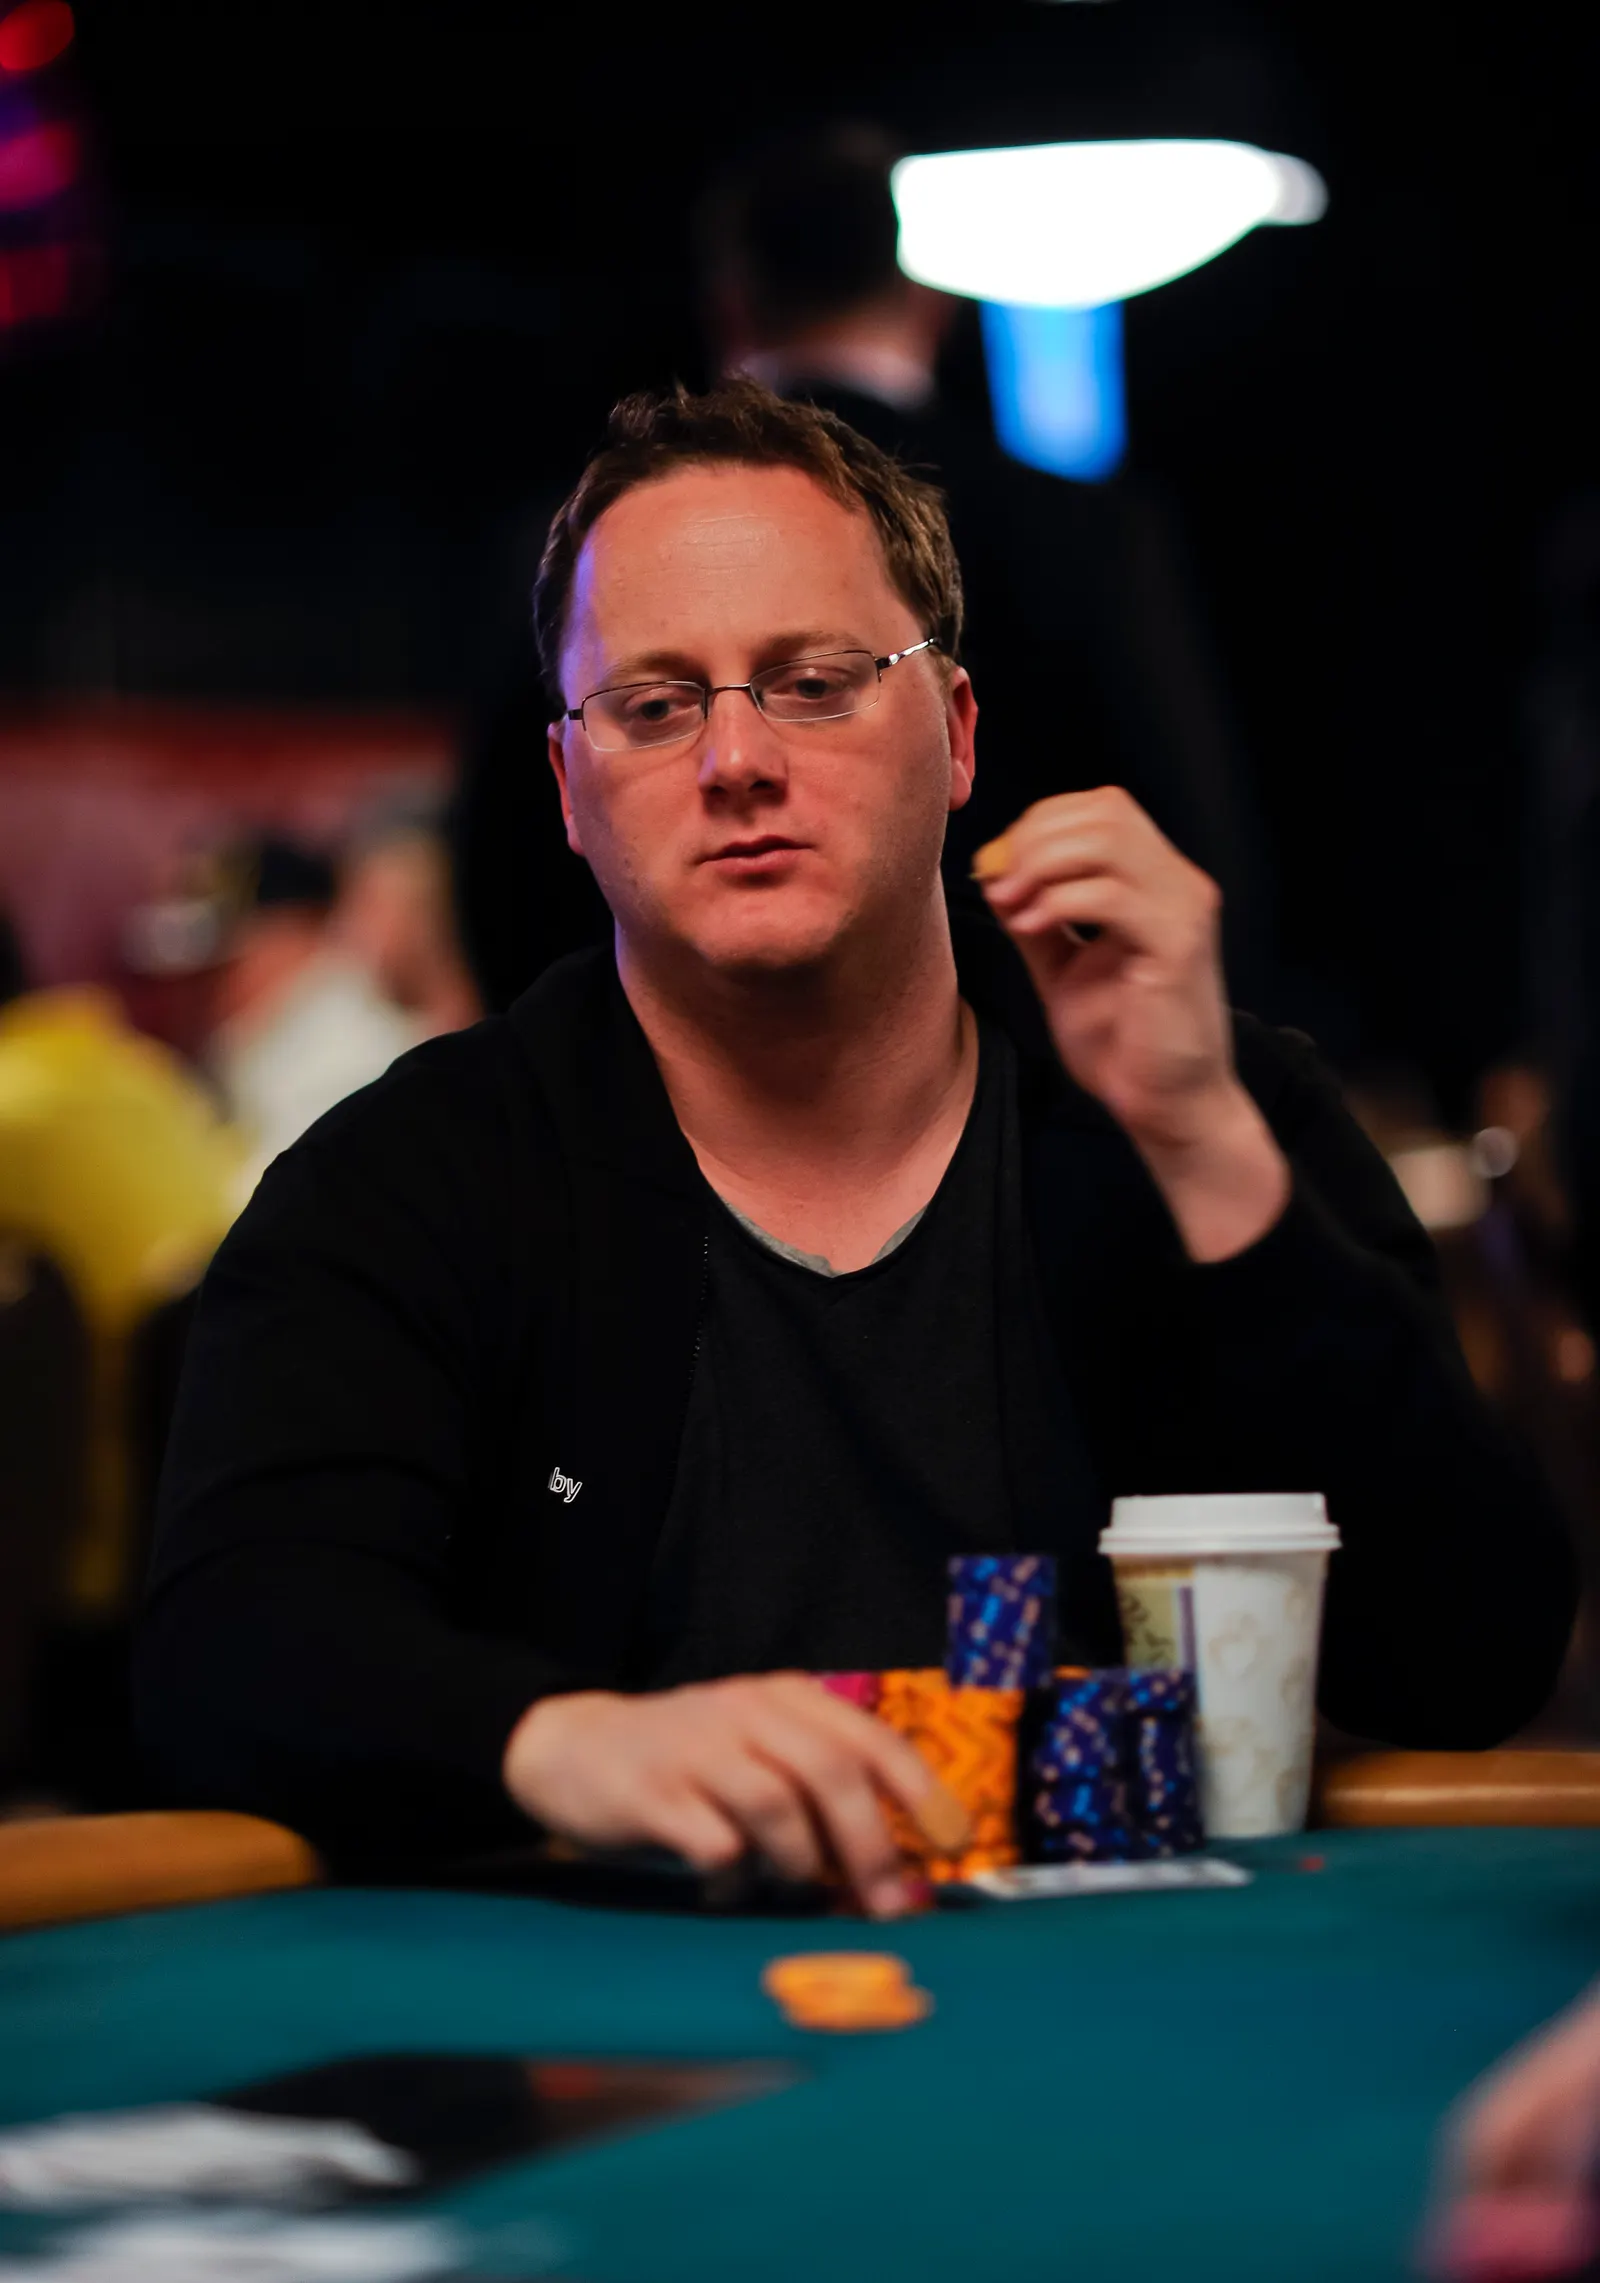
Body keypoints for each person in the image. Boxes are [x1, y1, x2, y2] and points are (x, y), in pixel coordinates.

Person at [137, 381, 1576, 1914]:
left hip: (1144, 1999)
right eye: (655, 704)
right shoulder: (411, 1177)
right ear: (567, 789)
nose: (736, 759)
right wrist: (556, 1739)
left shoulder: (1213, 1111)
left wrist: (1208, 1150)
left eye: (814, 682)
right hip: (620, 2010)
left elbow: (1471, 1657)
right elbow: (230, 1650)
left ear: (956, 734)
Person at [696, 122, 1282, 1016]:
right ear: (928, 302)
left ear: (732, 307)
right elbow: (1193, 842)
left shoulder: (602, 544)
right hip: (1049, 1046)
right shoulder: (1079, 527)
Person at [205, 836, 423, 1203]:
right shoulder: (278, 1033)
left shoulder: (345, 1045)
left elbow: (271, 1207)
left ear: (296, 928)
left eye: (229, 950)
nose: (210, 978)